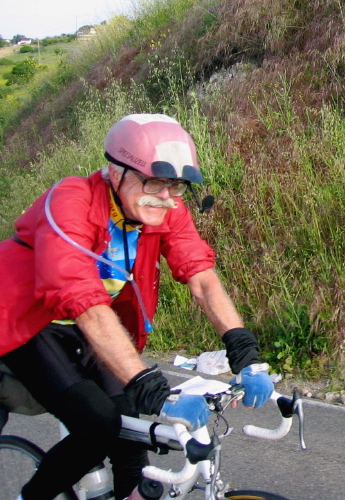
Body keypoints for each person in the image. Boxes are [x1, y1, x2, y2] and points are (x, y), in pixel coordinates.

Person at [0, 113, 274, 500]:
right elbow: (83, 301)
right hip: (28, 322)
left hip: (90, 323)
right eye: (153, 180)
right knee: (98, 424)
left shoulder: (165, 207)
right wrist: (146, 381)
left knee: (130, 427)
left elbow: (201, 275)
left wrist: (244, 350)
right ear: (116, 172)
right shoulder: (71, 201)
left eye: (175, 185)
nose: (164, 196)